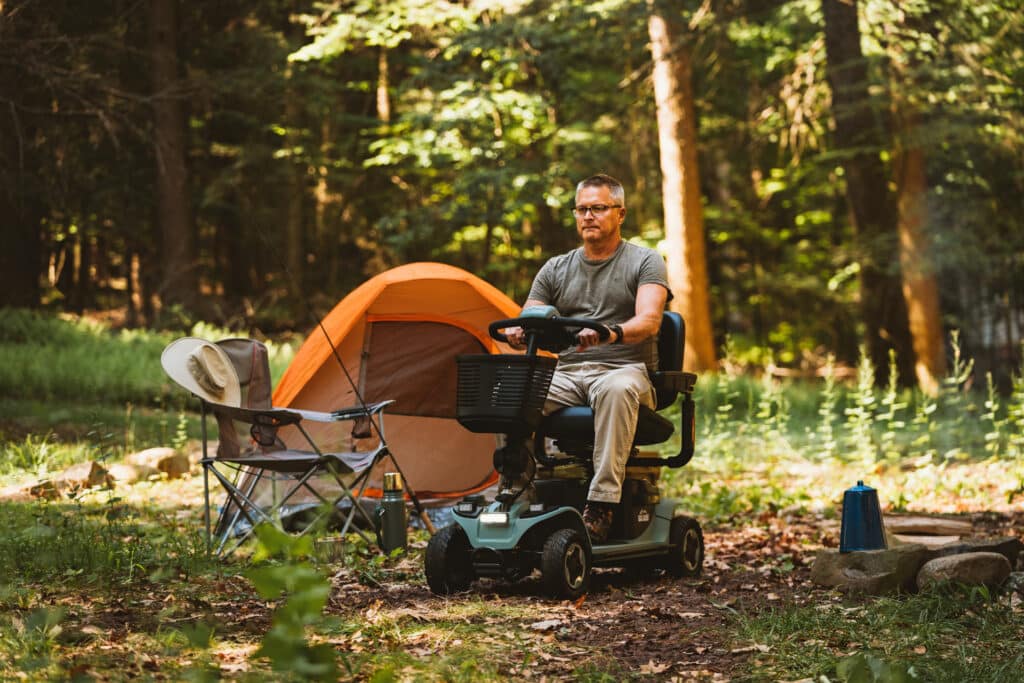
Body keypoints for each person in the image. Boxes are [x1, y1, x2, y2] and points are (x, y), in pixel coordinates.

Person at [507, 173, 670, 542]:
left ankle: (602, 504)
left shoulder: (645, 261)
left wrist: (610, 332)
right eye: (582, 209)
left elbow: (649, 320)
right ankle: (515, 489)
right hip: (568, 373)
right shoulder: (555, 268)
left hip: (625, 370)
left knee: (617, 389)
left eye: (598, 208)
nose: (588, 216)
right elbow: (530, 314)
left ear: (620, 213)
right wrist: (521, 330)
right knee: (512, 391)